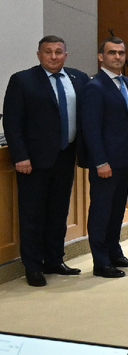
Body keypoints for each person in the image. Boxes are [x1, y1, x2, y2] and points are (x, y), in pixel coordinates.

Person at [2, 35, 89, 286]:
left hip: (66, 156)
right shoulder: (22, 80)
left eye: (58, 52)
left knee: (58, 212)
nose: (53, 57)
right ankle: (33, 266)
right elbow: (12, 122)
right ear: (38, 55)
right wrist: (21, 156)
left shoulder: (78, 79)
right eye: (48, 52)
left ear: (66, 55)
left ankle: (54, 260)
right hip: (33, 161)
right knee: (32, 215)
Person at [78, 37, 128, 279]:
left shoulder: (127, 82)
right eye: (112, 53)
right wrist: (100, 161)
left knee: (116, 211)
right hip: (105, 163)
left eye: (121, 53)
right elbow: (91, 128)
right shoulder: (95, 87)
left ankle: (115, 252)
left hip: (124, 159)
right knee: (102, 212)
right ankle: (100, 261)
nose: (117, 57)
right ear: (100, 57)